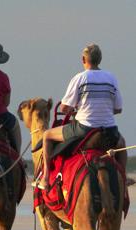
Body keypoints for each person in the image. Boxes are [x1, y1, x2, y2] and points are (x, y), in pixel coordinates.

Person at [38, 44, 125, 189]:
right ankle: (123, 177)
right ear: (100, 59)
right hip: (109, 130)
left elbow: (64, 108)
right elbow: (118, 109)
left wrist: (75, 111)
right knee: (122, 143)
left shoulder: (80, 78)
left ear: (83, 59)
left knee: (47, 135)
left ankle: (46, 178)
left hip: (84, 129)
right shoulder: (111, 78)